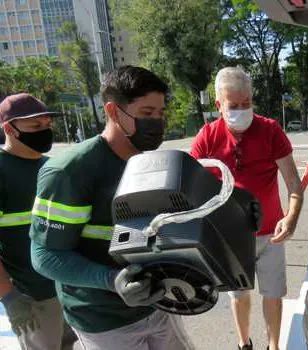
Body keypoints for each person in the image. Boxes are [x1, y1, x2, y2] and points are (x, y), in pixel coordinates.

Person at [29, 66, 193, 350]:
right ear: (114, 112)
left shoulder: (152, 165)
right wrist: (111, 280)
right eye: (146, 113)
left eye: (160, 113)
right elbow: (44, 255)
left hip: (158, 306)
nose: (157, 122)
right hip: (104, 321)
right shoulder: (70, 171)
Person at [190, 67, 303, 350]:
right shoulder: (208, 136)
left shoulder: (270, 130)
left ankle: (274, 346)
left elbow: (294, 184)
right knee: (239, 296)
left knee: (273, 294)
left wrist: (291, 217)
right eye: (233, 106)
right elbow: (189, 182)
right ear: (218, 105)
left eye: (247, 104)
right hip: (231, 236)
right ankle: (244, 344)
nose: (241, 111)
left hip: (270, 232)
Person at [0, 93, 65, 349]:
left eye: (47, 125)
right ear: (9, 129)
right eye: (35, 126)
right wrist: (9, 295)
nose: (44, 132)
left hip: (69, 286)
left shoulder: (54, 167)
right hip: (32, 298)